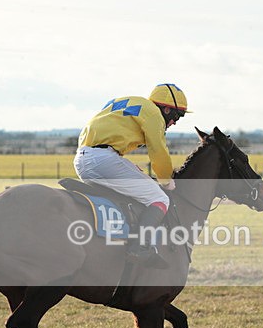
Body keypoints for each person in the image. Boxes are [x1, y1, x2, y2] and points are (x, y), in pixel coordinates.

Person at [73, 83, 188, 267]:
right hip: (103, 160)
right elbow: (158, 152)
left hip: (82, 158)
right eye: (177, 116)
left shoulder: (131, 102)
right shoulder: (154, 114)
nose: (174, 122)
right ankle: (140, 248)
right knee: (160, 198)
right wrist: (166, 181)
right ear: (166, 109)